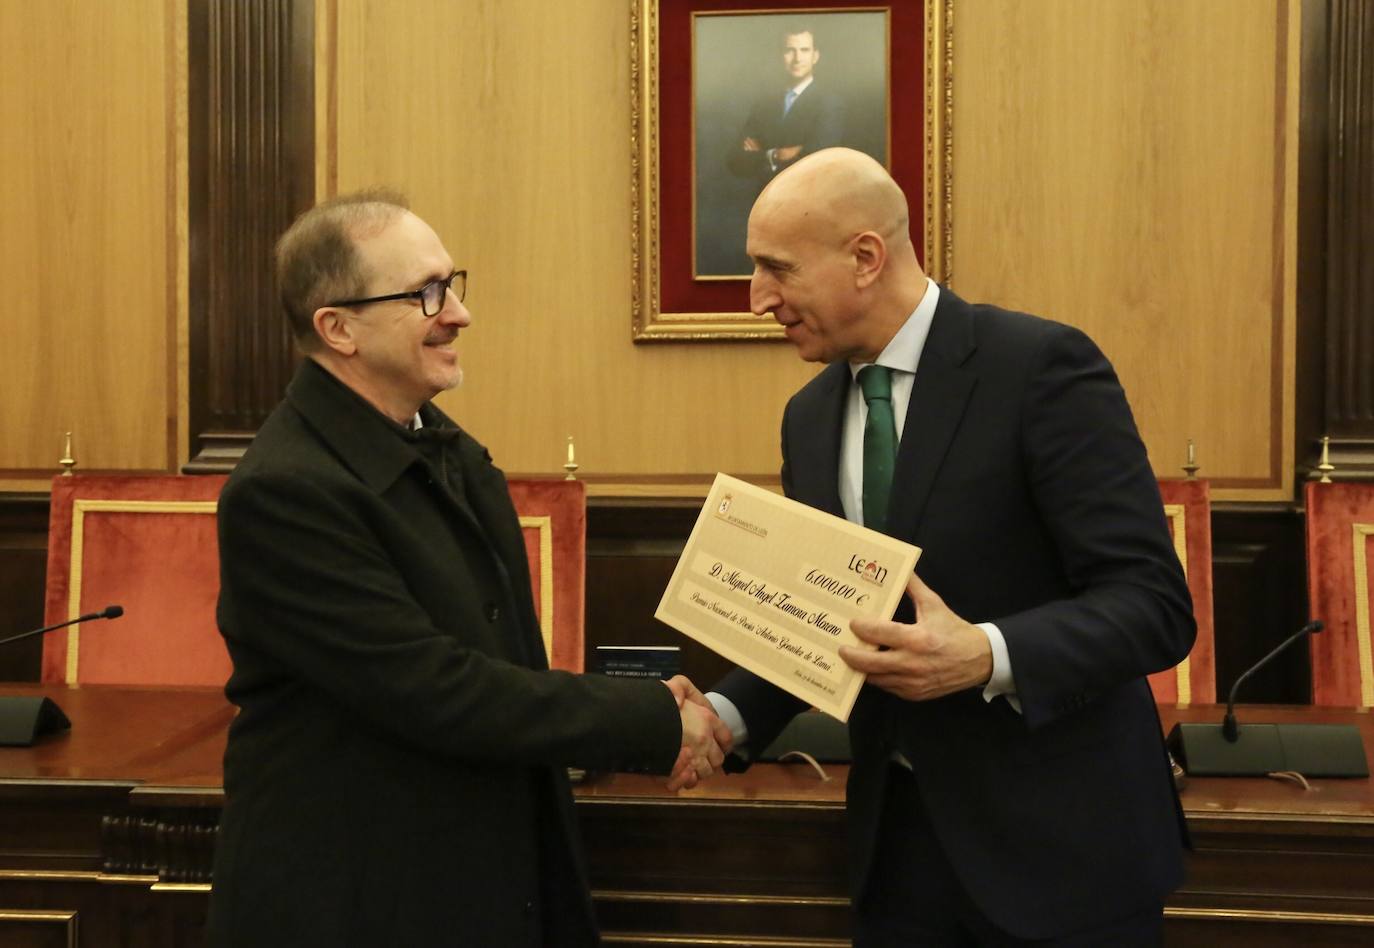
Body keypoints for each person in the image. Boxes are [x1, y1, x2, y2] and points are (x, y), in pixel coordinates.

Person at [696, 148, 1196, 944]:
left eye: (776, 269)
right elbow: (831, 619)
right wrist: (725, 716)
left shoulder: (1040, 369)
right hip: (899, 868)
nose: (758, 299)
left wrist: (986, 654)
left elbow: (1153, 606)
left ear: (865, 258)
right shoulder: (809, 416)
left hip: (1064, 864)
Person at [207, 190, 730, 947]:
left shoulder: (447, 451)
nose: (457, 312)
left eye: (453, 284)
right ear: (338, 328)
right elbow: (434, 689)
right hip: (355, 898)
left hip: (465, 873)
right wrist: (646, 719)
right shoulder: (285, 491)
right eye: (425, 293)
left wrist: (642, 713)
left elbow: (503, 663)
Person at [726, 27, 844, 184]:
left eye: (804, 50)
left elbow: (820, 161)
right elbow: (735, 160)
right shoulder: (765, 104)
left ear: (815, 56)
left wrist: (761, 153)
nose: (797, 58)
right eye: (790, 50)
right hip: (765, 201)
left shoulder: (829, 103)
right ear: (781, 55)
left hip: (810, 200)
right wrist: (774, 155)